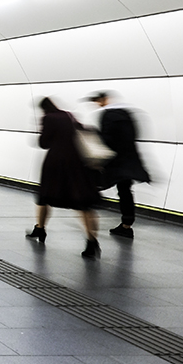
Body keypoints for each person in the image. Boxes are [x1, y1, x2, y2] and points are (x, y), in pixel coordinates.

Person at [27, 97, 101, 258]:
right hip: (77, 164)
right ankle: (92, 241)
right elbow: (82, 131)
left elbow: (44, 143)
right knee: (83, 203)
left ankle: (40, 228)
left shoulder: (48, 118)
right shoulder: (68, 115)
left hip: (56, 164)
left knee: (44, 197)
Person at [88, 91, 151, 239]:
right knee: (125, 191)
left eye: (98, 101)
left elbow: (106, 139)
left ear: (104, 99)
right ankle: (127, 225)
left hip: (115, 161)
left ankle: (89, 213)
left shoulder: (107, 115)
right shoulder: (128, 113)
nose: (97, 104)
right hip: (129, 160)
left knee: (96, 184)